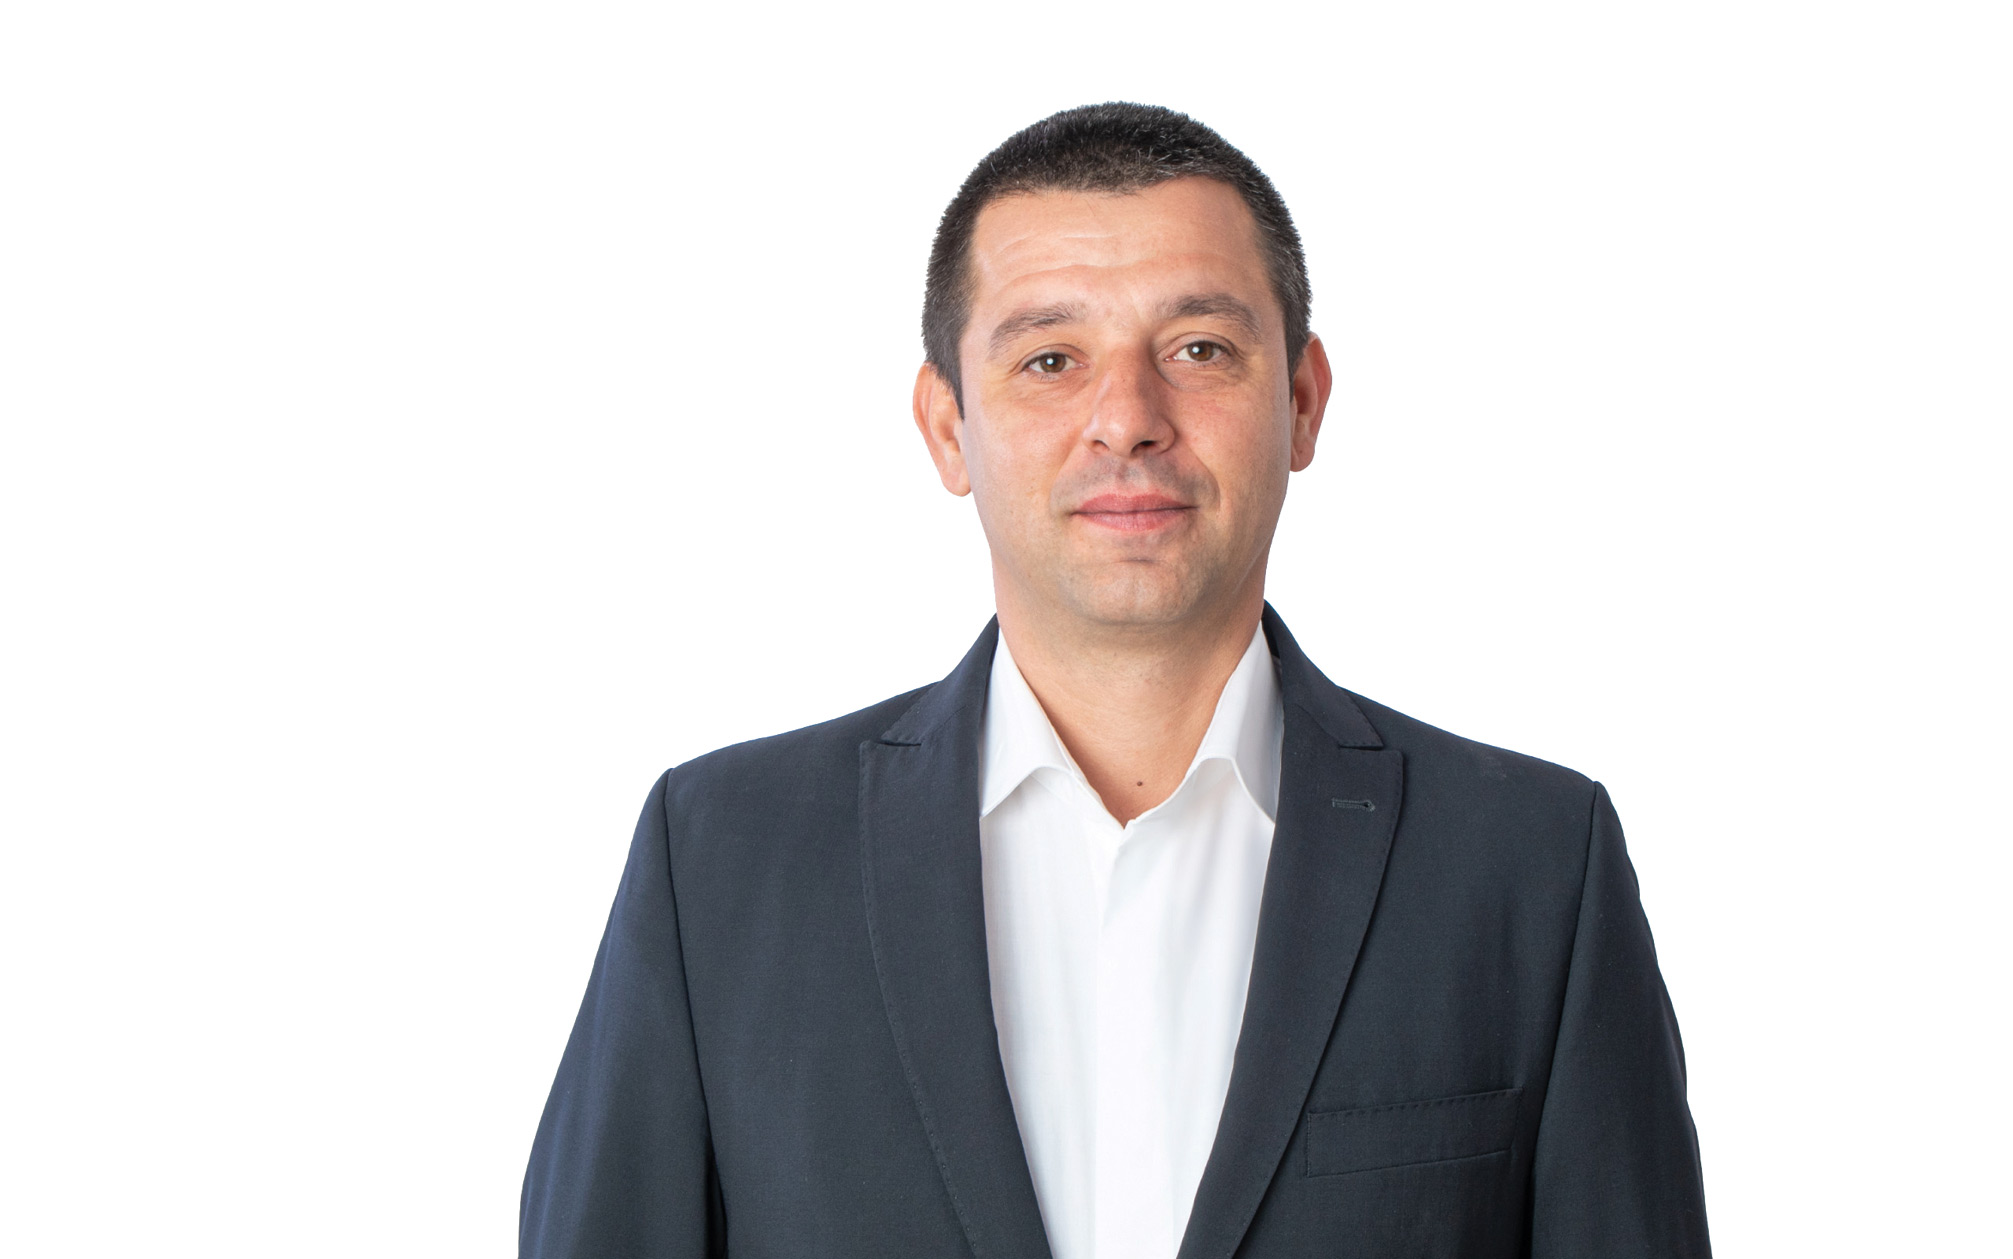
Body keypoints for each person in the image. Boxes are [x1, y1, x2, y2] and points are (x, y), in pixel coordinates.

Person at [521, 102, 1709, 1259]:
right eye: (1050, 358)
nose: (1127, 419)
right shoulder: (717, 859)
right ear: (946, 426)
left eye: (1199, 349)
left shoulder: (1532, 865)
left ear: (1301, 401)